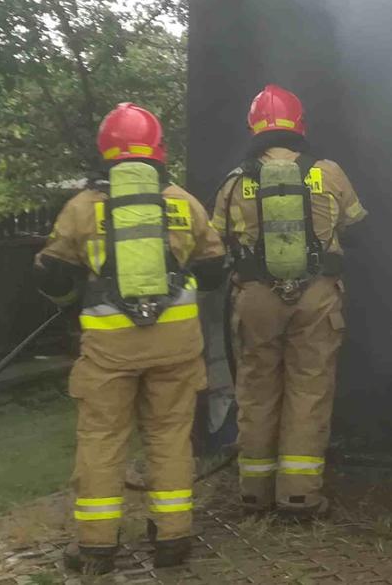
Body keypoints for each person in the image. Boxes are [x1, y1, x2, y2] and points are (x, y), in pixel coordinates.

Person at [32, 102, 228, 573]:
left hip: (109, 351)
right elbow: (216, 270)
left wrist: (74, 296)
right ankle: (173, 539)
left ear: (106, 151)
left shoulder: (82, 208)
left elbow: (53, 277)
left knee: (102, 439)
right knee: (170, 436)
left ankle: (97, 547)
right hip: (176, 346)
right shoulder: (185, 203)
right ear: (158, 151)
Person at [212, 84, 366, 519]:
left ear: (253, 127)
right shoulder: (328, 171)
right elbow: (356, 224)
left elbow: (214, 238)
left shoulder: (236, 180)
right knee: (309, 389)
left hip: (257, 297)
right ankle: (299, 497)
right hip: (316, 296)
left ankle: (254, 493)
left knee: (257, 390)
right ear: (300, 124)